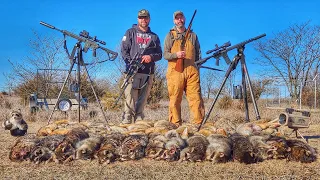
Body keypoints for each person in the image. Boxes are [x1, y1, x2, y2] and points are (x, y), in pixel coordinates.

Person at [163, 10, 205, 127]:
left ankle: (198, 125)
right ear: (174, 21)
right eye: (177, 18)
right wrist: (176, 55)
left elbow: (198, 55)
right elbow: (165, 55)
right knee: (175, 98)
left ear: (184, 19)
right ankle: (175, 125)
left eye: (181, 18)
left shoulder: (193, 35)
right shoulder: (170, 35)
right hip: (175, 71)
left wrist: (197, 68)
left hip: (192, 71)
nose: (179, 20)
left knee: (196, 98)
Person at [121, 9, 162, 124]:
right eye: (141, 17)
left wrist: (151, 57)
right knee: (130, 96)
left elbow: (160, 54)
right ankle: (127, 118)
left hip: (148, 71)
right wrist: (130, 64)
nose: (143, 20)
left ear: (149, 19)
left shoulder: (154, 37)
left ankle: (139, 118)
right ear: (137, 19)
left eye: (145, 17)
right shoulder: (130, 32)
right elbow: (124, 51)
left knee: (143, 98)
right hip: (132, 70)